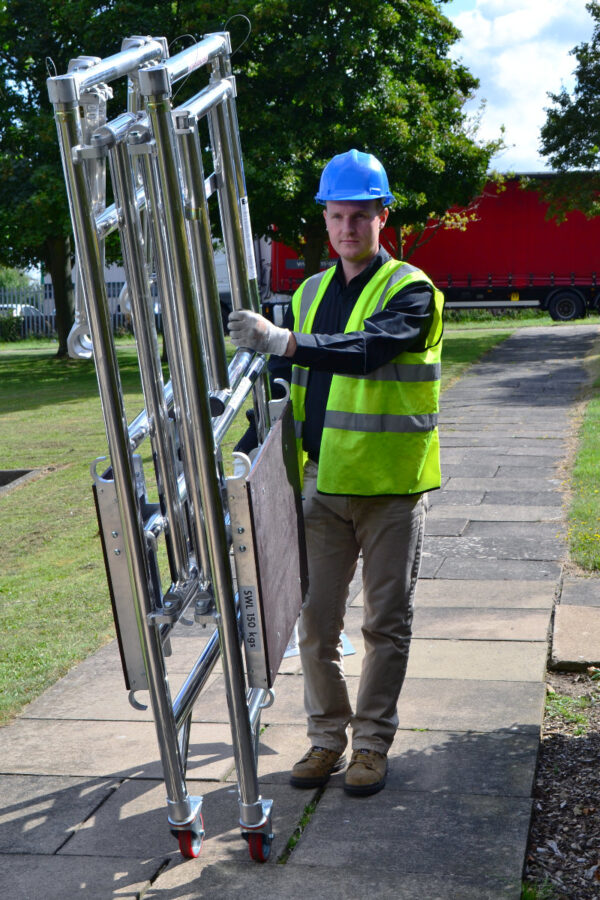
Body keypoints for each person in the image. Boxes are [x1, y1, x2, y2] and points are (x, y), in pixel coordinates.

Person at [228, 149, 444, 796]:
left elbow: (369, 349)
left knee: (386, 624)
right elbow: (290, 387)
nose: (347, 228)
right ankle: (327, 739)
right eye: (336, 216)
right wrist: (247, 454)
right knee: (315, 626)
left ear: (384, 217)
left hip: (391, 491)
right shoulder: (310, 293)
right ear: (324, 219)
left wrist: (283, 340)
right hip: (321, 486)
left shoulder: (412, 290)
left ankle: (371, 746)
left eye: (360, 216)